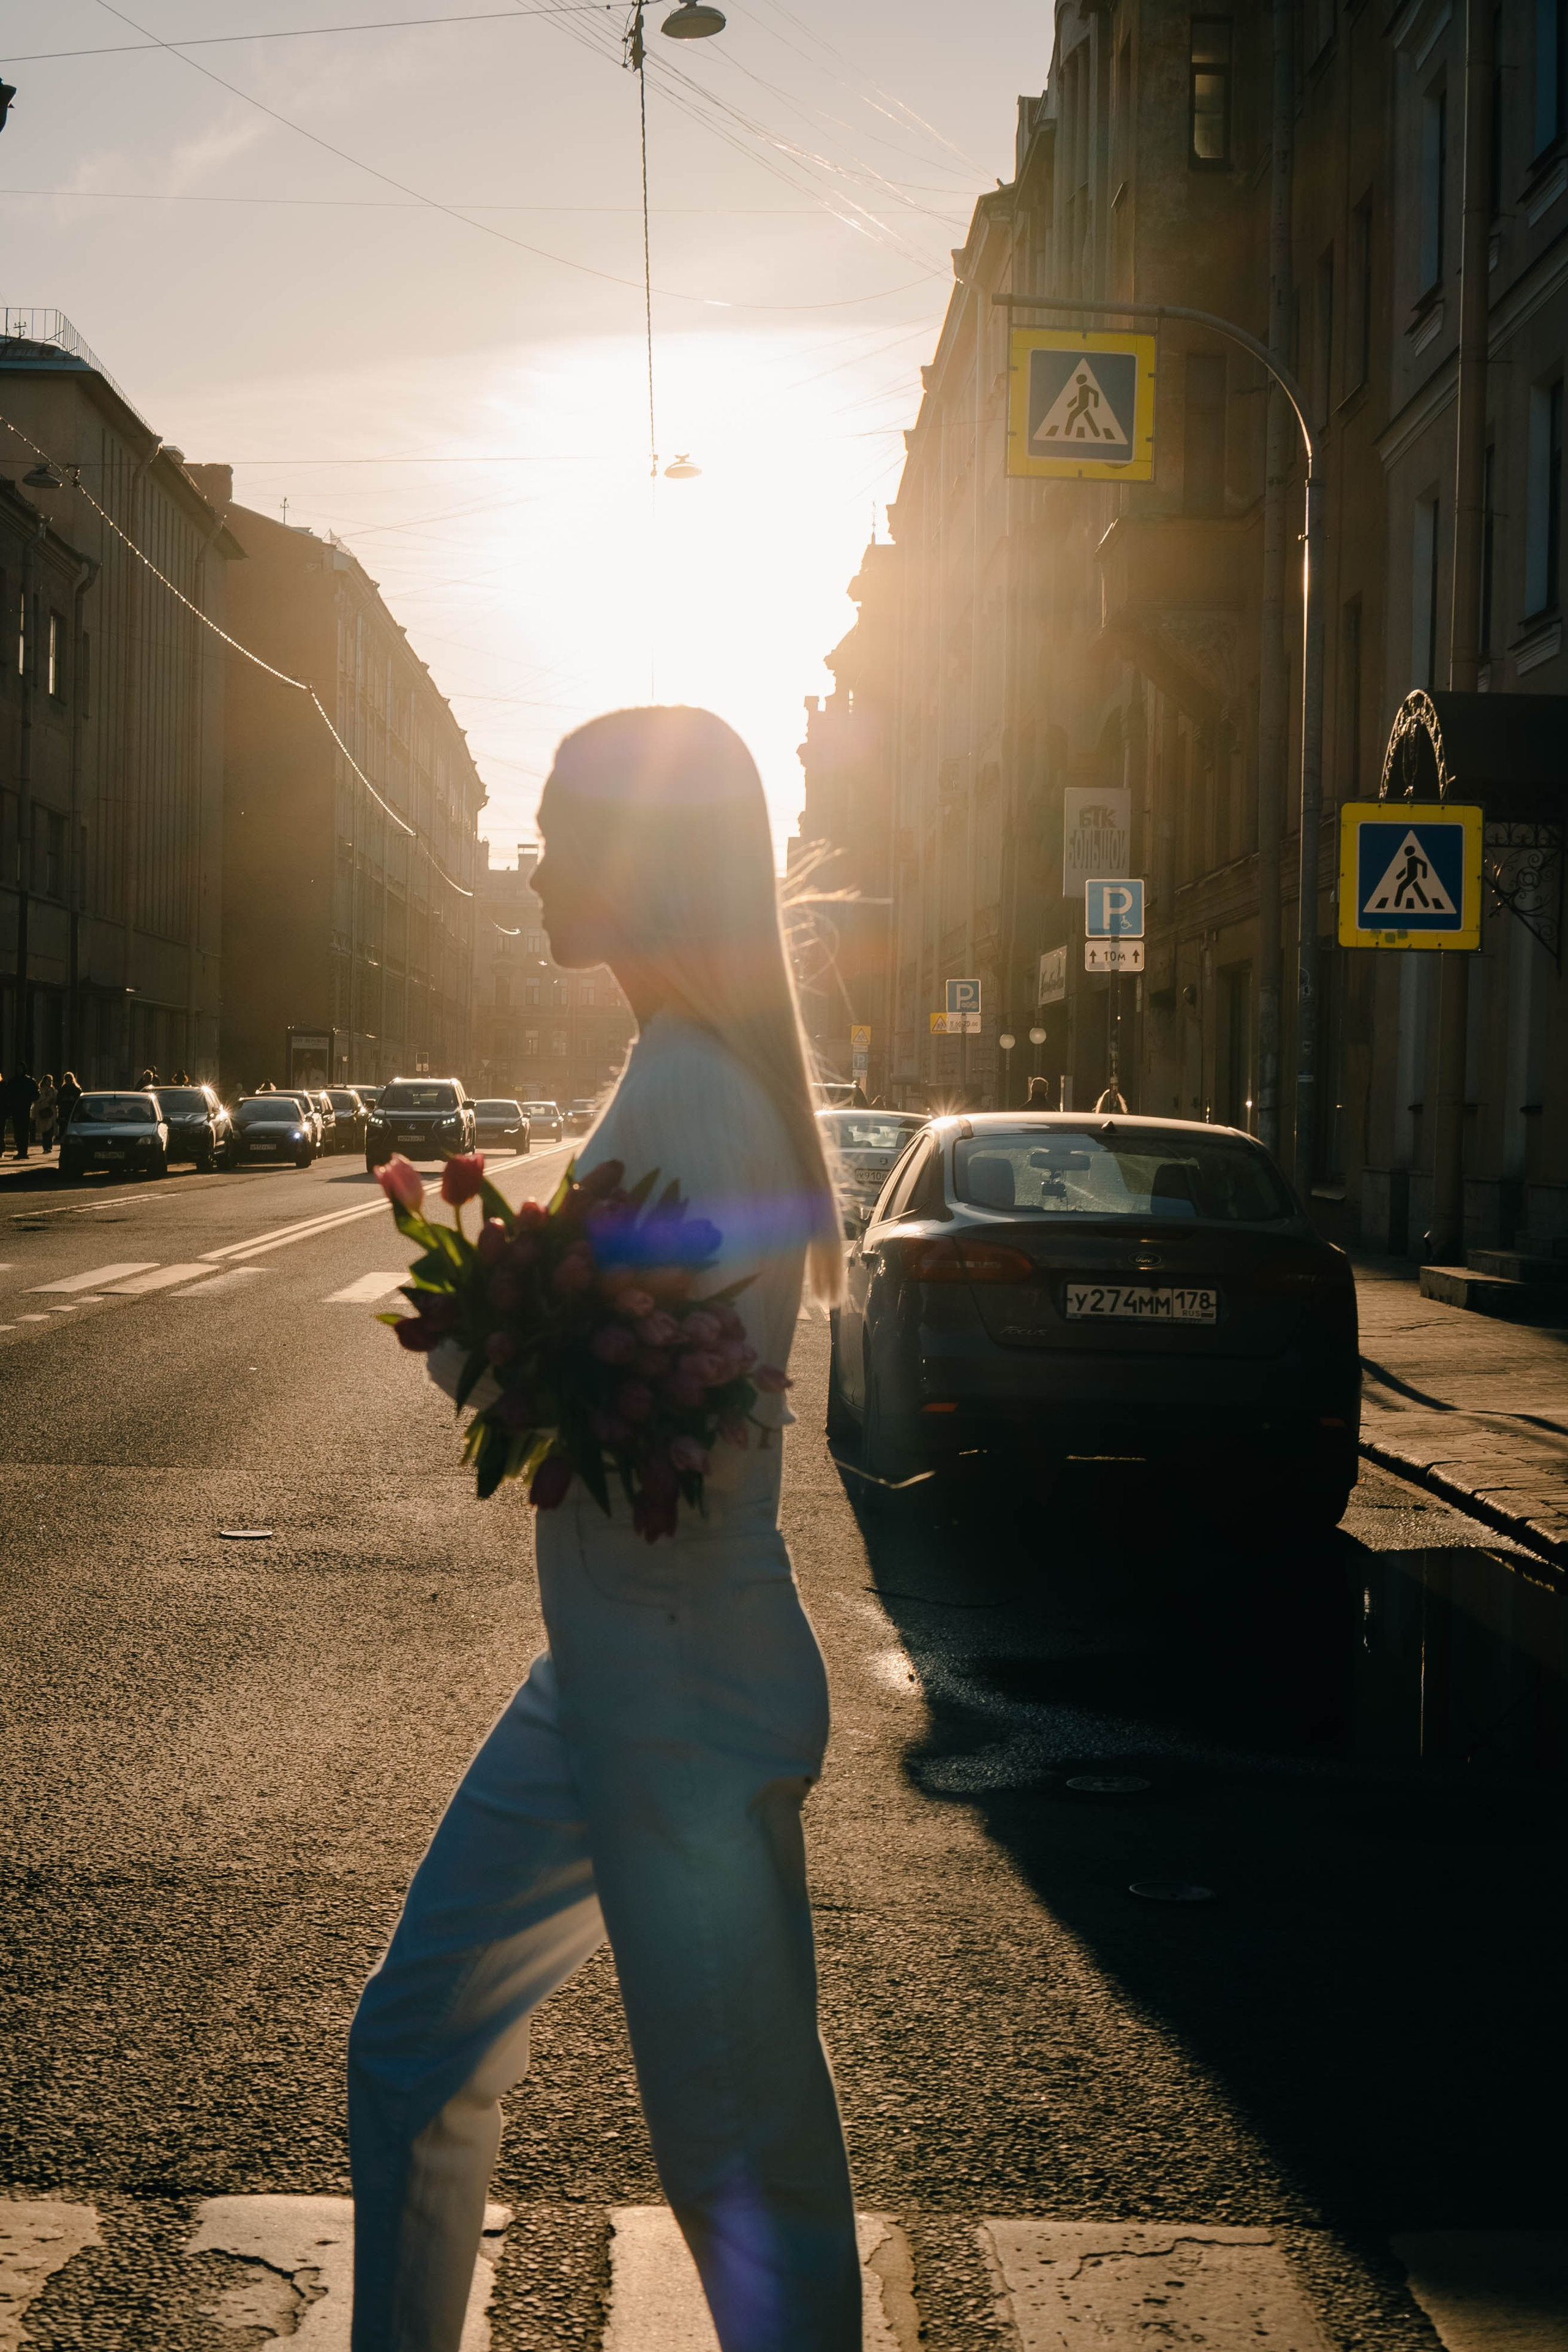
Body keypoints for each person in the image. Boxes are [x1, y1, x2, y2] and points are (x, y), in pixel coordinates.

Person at [348, 707, 859, 2352]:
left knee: (743, 2164)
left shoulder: (696, 1089)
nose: (537, 862)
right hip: (614, 1671)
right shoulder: (676, 1068)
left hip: (680, 1699)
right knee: (413, 2048)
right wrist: (503, 1304)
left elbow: (642, 1421)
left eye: (564, 830)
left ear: (647, 861)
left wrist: (478, 1329)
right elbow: (645, 1381)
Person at [3, 1065, 37, 1156]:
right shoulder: (13, 1081)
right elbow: (7, 1095)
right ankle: (20, 1150)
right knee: (18, 1132)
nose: (19, 1071)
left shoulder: (29, 1081)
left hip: (25, 1109)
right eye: (18, 1069)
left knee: (24, 1131)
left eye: (21, 1069)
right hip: (16, 1110)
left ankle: (24, 1151)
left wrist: (29, 1100)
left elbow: (36, 1094)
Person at [32, 1072, 59, 1153]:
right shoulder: (40, 1090)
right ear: (44, 1081)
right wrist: (47, 1098)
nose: (50, 1082)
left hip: (52, 1113)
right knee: (45, 1131)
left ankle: (49, 1147)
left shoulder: (53, 1091)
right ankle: (46, 1147)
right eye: (48, 1080)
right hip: (43, 1112)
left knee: (51, 1130)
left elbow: (56, 1100)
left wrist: (53, 1100)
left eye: (51, 1081)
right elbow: (38, 1101)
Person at [57, 1070, 83, 1134]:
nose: (68, 1081)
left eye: (69, 1079)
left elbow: (79, 1101)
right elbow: (58, 1101)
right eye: (67, 1080)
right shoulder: (62, 1090)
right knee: (63, 1129)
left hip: (73, 1111)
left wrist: (73, 1100)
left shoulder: (77, 1090)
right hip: (64, 1111)